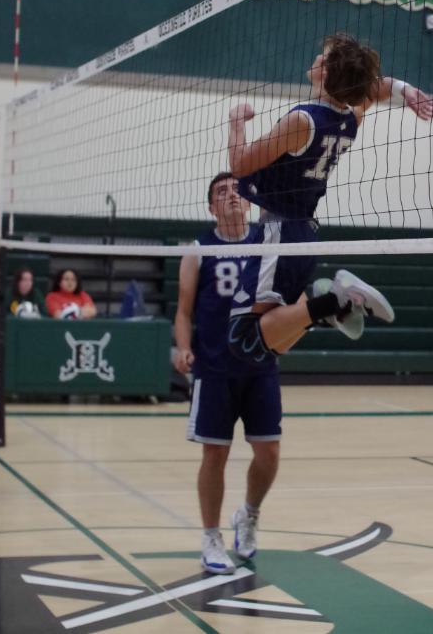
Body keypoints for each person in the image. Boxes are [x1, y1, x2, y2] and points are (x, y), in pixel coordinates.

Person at [227, 32, 433, 364]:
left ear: (327, 73)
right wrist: (404, 89)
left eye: (323, 57)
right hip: (303, 234)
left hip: (279, 233)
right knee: (274, 344)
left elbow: (239, 166)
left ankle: (334, 300)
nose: (316, 58)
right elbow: (378, 88)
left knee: (244, 340)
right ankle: (325, 306)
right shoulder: (349, 118)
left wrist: (236, 122)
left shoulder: (301, 121)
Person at [174, 172, 306, 576]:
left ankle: (248, 514)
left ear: (248, 201)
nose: (231, 195)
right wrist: (183, 347)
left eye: (236, 190)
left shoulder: (267, 243)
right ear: (211, 206)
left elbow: (291, 296)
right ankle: (210, 537)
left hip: (260, 365)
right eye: (221, 192)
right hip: (214, 369)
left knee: (269, 452)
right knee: (215, 453)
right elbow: (184, 311)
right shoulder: (199, 250)